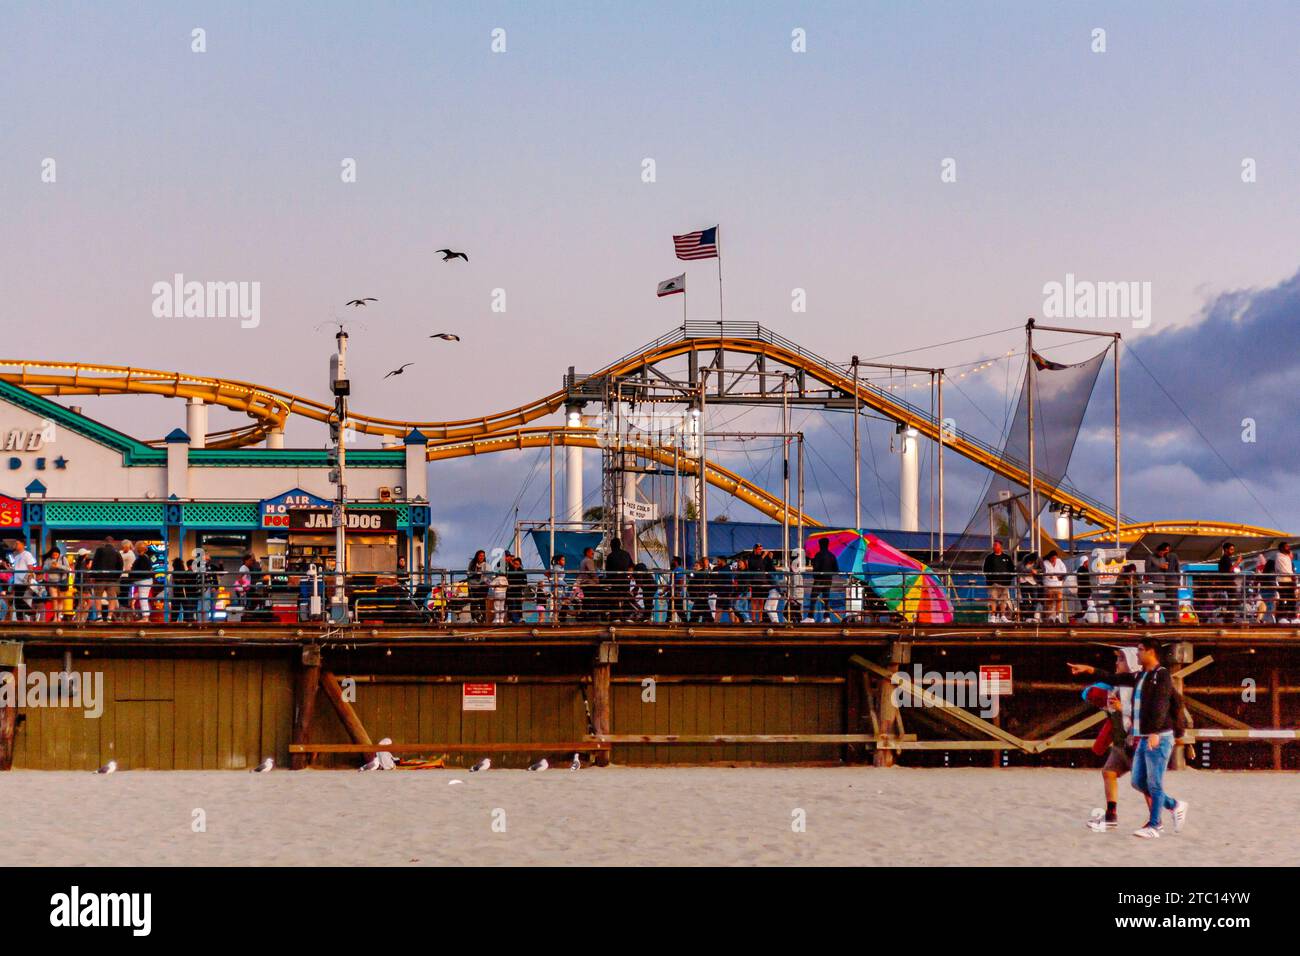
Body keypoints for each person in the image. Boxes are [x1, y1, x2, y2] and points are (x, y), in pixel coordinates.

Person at [1069, 638, 1188, 839]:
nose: (1138, 653)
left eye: (1141, 650)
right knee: (1138, 782)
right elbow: (1113, 679)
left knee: (1154, 783)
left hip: (1158, 737)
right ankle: (1175, 805)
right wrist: (1089, 670)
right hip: (1142, 737)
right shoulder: (1140, 676)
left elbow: (1159, 706)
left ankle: (1155, 824)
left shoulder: (1162, 676)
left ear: (1151, 652)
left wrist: (1154, 732)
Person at [1080, 647, 1140, 830]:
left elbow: (1146, 715)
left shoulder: (1139, 687)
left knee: (1144, 785)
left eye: (1120, 660)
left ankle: (1167, 810)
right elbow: (1090, 693)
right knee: (1108, 772)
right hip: (1120, 743)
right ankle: (1111, 815)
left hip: (1137, 743)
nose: (1116, 663)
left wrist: (1122, 708)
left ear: (1130, 663)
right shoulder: (1114, 686)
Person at [90, 537, 123, 622]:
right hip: (112, 579)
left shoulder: (99, 550)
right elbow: (120, 566)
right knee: (112, 598)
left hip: (100, 578)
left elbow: (95, 563)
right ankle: (109, 617)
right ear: (113, 543)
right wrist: (116, 577)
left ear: (104, 542)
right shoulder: (116, 552)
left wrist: (92, 576)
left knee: (98, 597)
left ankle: (99, 616)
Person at [982, 540, 1016, 623]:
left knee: (1003, 600)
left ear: (1000, 547)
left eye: (996, 545)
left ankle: (1003, 616)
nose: (994, 547)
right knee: (993, 599)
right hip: (993, 583)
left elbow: (1012, 569)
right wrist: (990, 579)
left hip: (1004, 583)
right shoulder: (989, 557)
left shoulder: (1007, 557)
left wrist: (1008, 580)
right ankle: (993, 616)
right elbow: (985, 569)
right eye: (993, 545)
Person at [1147, 542, 1181, 624]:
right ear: (1160, 550)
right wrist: (1159, 567)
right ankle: (1163, 621)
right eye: (1165, 551)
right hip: (1158, 584)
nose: (1166, 552)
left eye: (1167, 551)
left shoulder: (1168, 557)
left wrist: (1177, 579)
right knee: (1161, 603)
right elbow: (1147, 570)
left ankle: (1170, 620)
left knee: (1169, 603)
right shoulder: (1150, 557)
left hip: (1167, 583)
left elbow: (1175, 568)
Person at [7, 535, 38, 622]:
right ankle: (21, 619)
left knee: (18, 601)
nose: (16, 545)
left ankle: (31, 612)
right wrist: (7, 567)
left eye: (17, 543)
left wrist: (30, 578)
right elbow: (16, 569)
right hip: (17, 581)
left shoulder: (27, 554)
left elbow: (30, 567)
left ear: (23, 544)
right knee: (17, 602)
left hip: (23, 581)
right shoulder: (16, 557)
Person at [603, 538, 633, 620]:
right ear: (620, 545)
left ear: (611, 546)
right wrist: (628, 577)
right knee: (626, 597)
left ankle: (616, 617)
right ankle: (627, 617)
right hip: (625, 582)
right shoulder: (626, 554)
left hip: (615, 582)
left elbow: (607, 572)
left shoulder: (610, 556)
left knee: (614, 598)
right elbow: (631, 567)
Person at [810, 538, 838, 622]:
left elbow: (816, 568)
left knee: (813, 597)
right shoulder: (832, 555)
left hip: (819, 580)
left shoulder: (818, 555)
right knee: (826, 599)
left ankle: (810, 617)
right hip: (828, 580)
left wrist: (815, 575)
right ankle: (827, 617)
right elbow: (836, 569)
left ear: (820, 545)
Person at [1215, 542, 1242, 624]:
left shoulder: (1224, 558)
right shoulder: (1225, 558)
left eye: (1233, 549)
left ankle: (1229, 618)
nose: (1233, 551)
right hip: (1228, 582)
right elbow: (1230, 570)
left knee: (1232, 600)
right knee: (1232, 600)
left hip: (1227, 582)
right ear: (1226, 549)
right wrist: (1238, 562)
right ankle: (1229, 619)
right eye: (1231, 549)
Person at [41, 546, 68, 622]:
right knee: (54, 599)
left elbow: (68, 568)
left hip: (62, 581)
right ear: (51, 554)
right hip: (52, 581)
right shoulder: (48, 560)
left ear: (59, 554)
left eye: (57, 554)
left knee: (60, 600)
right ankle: (55, 617)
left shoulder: (63, 558)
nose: (55, 556)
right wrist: (50, 566)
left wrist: (58, 566)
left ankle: (59, 617)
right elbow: (44, 569)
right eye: (54, 554)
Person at [1041, 549, 1068, 624]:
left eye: (1055, 558)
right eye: (1053, 558)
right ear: (1049, 557)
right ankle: (1050, 617)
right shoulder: (1045, 563)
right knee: (1050, 600)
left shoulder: (1059, 561)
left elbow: (1064, 571)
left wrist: (1053, 575)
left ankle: (1057, 616)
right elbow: (1046, 573)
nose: (1054, 560)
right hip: (1049, 585)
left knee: (1059, 599)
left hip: (1058, 584)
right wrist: (1057, 575)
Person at [1017, 552, 1041, 623]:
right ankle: (1028, 616)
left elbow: (1043, 570)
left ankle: (1032, 615)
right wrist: (1031, 571)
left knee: (1035, 600)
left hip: (1033, 582)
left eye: (1032, 561)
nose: (1031, 562)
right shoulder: (1023, 561)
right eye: (1030, 561)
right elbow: (1020, 569)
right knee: (1025, 600)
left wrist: (1036, 571)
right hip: (1023, 582)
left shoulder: (1038, 561)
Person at [1276, 541, 1296, 624]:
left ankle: (1292, 617)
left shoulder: (1287, 556)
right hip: (1282, 580)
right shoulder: (1279, 557)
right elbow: (1284, 570)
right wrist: (1292, 575)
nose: (1288, 548)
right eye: (1286, 547)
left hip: (1289, 580)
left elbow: (1290, 567)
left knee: (1292, 599)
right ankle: (1281, 617)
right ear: (1281, 548)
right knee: (1283, 599)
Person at [467, 550, 489, 623]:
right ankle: (473, 618)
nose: (481, 557)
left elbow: (489, 576)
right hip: (473, 586)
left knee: (482, 602)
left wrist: (484, 580)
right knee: (473, 603)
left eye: (483, 556)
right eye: (480, 555)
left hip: (482, 587)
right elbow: (468, 574)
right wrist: (474, 575)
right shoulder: (472, 564)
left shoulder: (486, 565)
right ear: (477, 556)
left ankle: (484, 618)